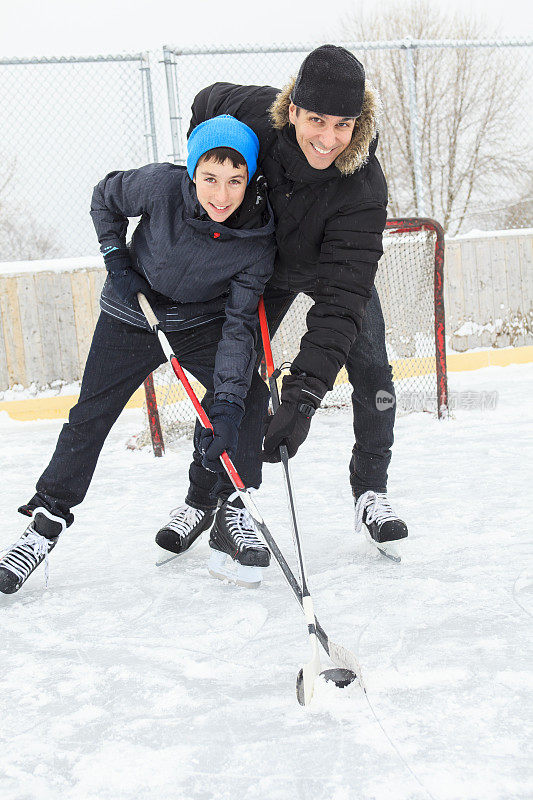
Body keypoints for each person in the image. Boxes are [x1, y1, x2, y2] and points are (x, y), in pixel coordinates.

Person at [0, 115, 276, 596]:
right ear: (193, 173)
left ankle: (230, 506)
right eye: (210, 178)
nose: (222, 195)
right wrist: (114, 257)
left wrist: (227, 406)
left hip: (198, 325)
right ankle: (45, 521)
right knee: (89, 416)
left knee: (247, 395)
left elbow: (238, 328)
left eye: (235, 181)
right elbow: (104, 196)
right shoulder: (159, 186)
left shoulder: (257, 239)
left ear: (249, 179)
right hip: (131, 316)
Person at [156, 44, 408, 562]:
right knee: (234, 373)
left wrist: (304, 396)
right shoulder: (254, 114)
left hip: (328, 269)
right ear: (292, 109)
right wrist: (208, 190)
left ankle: (371, 489)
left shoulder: (362, 184)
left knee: (374, 368)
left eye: (343, 124)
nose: (328, 138)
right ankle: (203, 497)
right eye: (316, 119)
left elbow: (341, 300)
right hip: (262, 267)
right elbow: (206, 101)